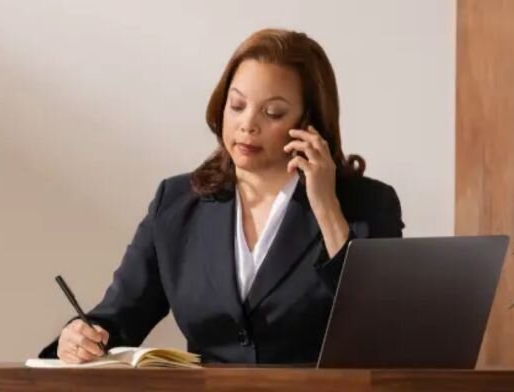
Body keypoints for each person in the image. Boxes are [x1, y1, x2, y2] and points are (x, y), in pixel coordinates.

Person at [39, 28, 404, 364]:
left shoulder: (367, 204)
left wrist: (326, 208)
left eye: (272, 112)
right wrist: (79, 337)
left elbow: (384, 331)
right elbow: (118, 317)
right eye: (237, 105)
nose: (248, 124)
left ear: (309, 121)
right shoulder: (178, 202)